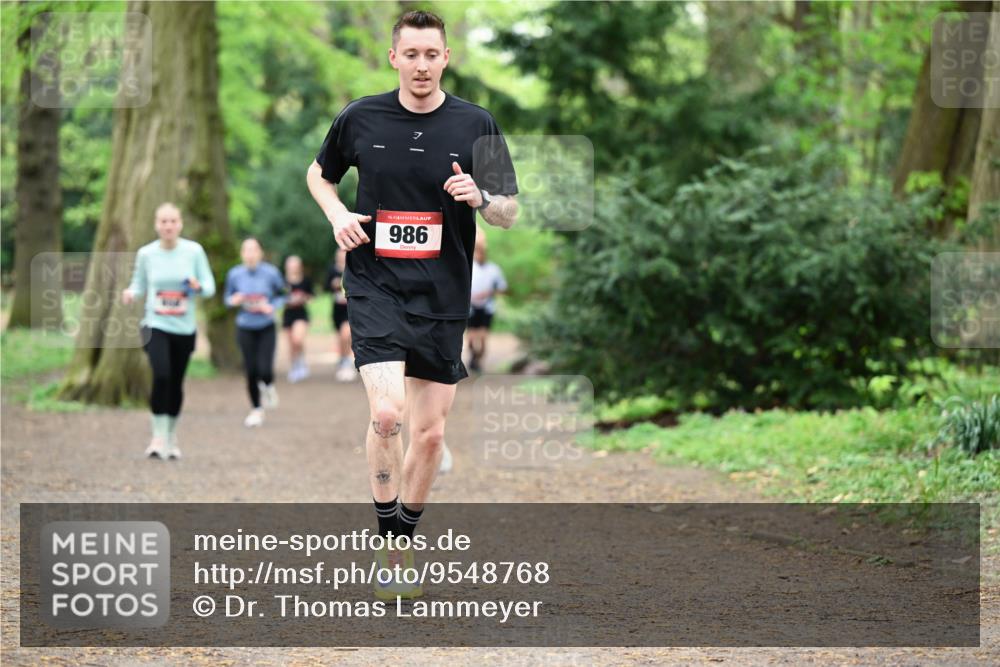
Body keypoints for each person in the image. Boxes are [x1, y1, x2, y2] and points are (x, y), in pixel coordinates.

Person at [306, 10, 519, 600]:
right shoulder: (360, 116)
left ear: (446, 58)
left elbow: (509, 212)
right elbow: (319, 176)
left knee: (428, 435)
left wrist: (481, 196)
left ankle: (403, 539)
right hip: (375, 284)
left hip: (444, 293)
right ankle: (387, 539)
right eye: (412, 54)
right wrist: (338, 216)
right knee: (387, 414)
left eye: (432, 54)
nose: (422, 65)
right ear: (394, 58)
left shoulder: (478, 124)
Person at [122, 202, 216, 460]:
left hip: (184, 328)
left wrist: (197, 286)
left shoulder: (193, 251)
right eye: (163, 221)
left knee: (176, 381)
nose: (168, 226)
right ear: (156, 225)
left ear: (180, 224)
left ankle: (172, 436)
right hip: (155, 324)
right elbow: (138, 283)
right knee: (161, 375)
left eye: (173, 221)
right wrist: (131, 293)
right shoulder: (146, 254)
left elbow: (209, 287)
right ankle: (157, 437)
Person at [224, 238, 286, 428]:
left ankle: (268, 386)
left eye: (254, 250)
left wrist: (272, 306)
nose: (250, 254)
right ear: (242, 254)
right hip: (245, 326)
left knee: (265, 370)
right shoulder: (234, 274)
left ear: (260, 253)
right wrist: (233, 300)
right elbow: (227, 298)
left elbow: (283, 294)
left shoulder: (271, 273)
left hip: (266, 326)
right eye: (246, 250)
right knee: (251, 370)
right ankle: (256, 409)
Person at [467, 228, 507, 373]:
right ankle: (473, 357)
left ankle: (478, 361)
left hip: (487, 307)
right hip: (470, 307)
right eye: (477, 252)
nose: (480, 255)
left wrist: (488, 293)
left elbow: (503, 288)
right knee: (471, 339)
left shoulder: (494, 269)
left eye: (482, 252)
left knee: (483, 338)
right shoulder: (469, 267)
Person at [325, 247, 356, 382]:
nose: (341, 257)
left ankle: (347, 361)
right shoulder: (332, 270)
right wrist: (333, 284)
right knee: (341, 337)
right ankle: (343, 359)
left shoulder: (353, 268)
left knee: (346, 334)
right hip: (337, 310)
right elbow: (325, 287)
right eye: (339, 255)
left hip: (351, 309)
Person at [282, 255, 314, 383]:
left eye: (295, 265)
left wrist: (302, 298)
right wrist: (287, 300)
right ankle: (294, 366)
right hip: (288, 314)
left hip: (301, 314)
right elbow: (278, 298)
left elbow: (311, 296)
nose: (293, 267)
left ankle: (301, 361)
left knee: (297, 339)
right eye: (291, 265)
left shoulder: (305, 280)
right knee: (290, 343)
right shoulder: (282, 282)